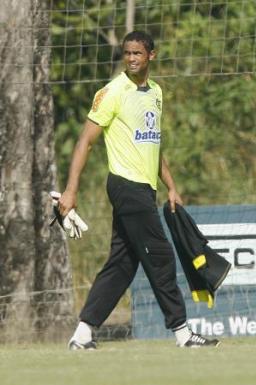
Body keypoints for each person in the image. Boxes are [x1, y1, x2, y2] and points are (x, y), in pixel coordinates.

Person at [59, 31, 219, 349]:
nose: (131, 58)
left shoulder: (156, 93)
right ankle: (183, 333)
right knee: (160, 256)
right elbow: (84, 141)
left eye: (137, 53)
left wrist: (171, 187)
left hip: (145, 190)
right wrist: (70, 191)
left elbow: (155, 147)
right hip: (125, 186)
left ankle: (82, 334)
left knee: (122, 264)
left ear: (151, 56)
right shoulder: (112, 92)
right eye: (127, 53)